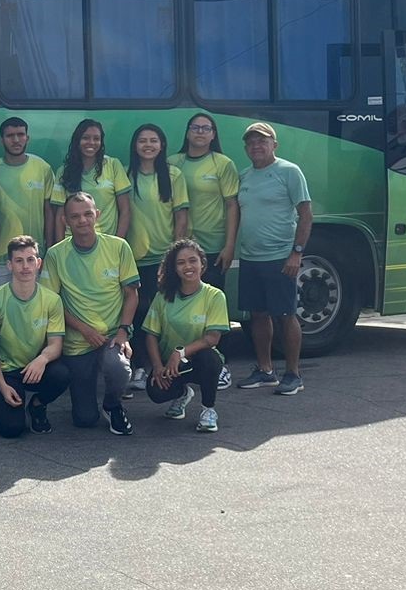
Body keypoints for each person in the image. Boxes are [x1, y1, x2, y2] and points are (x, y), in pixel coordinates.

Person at [40, 193, 138, 436]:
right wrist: (83, 329)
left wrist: (124, 332)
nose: (82, 220)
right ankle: (89, 401)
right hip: (77, 342)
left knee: (120, 369)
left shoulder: (118, 247)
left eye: (87, 214)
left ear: (97, 215)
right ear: (65, 221)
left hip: (111, 336)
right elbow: (51, 304)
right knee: (84, 419)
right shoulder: (55, 254)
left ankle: (113, 404)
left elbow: (131, 294)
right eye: (75, 216)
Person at [234, 121, 312, 396]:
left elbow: (306, 214)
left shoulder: (289, 172)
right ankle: (265, 371)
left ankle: (294, 374)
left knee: (285, 315)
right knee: (257, 315)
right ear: (246, 147)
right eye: (251, 142)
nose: (256, 146)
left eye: (262, 141)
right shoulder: (244, 176)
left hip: (281, 257)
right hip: (251, 257)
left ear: (274, 145)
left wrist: (297, 253)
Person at [168, 112, 239, 390]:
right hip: (181, 250)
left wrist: (229, 245)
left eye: (206, 128)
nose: (200, 132)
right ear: (187, 133)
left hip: (212, 250)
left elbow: (232, 205)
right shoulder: (173, 163)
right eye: (195, 127)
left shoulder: (223, 164)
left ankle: (219, 365)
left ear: (213, 135)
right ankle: (183, 363)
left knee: (214, 312)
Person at [0, 236, 69, 438]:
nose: (25, 266)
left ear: (39, 263)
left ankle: (37, 405)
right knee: (11, 429)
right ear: (10, 265)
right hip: (8, 371)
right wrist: (2, 386)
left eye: (30, 260)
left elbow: (56, 344)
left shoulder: (52, 300)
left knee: (62, 373)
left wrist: (42, 359)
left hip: (35, 367)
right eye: (19, 261)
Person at [124, 123, 189, 390]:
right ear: (135, 146)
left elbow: (181, 217)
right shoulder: (126, 176)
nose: (148, 145)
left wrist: (175, 254)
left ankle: (166, 365)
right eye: (142, 141)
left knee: (163, 313)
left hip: (162, 258)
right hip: (134, 258)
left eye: (153, 140)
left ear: (162, 145)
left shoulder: (173, 175)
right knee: (138, 313)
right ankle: (140, 366)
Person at [143, 239, 229, 433]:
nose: (188, 266)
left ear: (202, 264)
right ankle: (182, 393)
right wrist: (157, 367)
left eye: (193, 261)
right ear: (174, 268)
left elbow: (212, 338)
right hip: (170, 366)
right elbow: (150, 335)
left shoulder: (214, 296)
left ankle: (208, 410)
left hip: (198, 359)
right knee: (155, 391)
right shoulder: (164, 295)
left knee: (210, 359)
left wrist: (180, 353)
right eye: (181, 263)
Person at [0, 116, 54, 289]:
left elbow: (49, 212)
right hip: (0, 259)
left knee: (33, 308)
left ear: (27, 138)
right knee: (2, 310)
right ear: (2, 140)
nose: (16, 140)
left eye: (20, 135)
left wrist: (49, 251)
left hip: (34, 257)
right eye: (10, 136)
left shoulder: (42, 168)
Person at [48, 119, 130, 246]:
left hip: (106, 243)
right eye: (85, 138)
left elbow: (125, 210)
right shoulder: (63, 171)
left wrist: (117, 244)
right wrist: (60, 249)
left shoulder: (113, 165)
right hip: (73, 244)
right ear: (77, 141)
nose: (91, 142)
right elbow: (60, 216)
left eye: (96, 138)